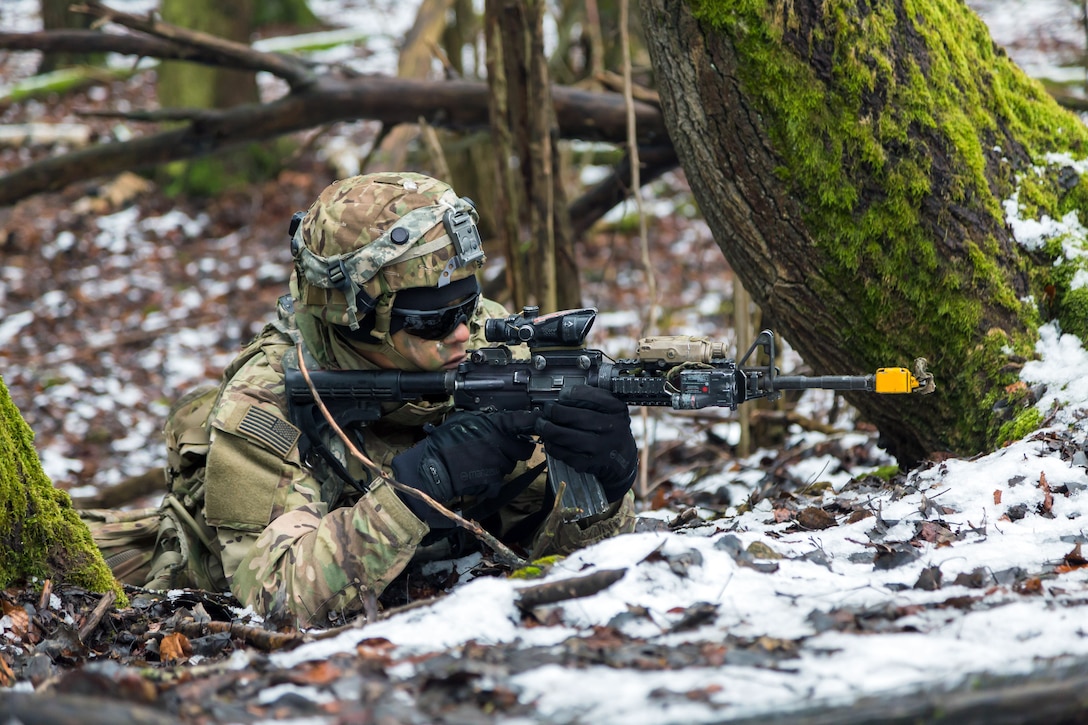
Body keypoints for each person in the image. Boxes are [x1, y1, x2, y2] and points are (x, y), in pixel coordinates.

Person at [121, 172, 636, 627]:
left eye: (468, 303)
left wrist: (607, 489)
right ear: (355, 315)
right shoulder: (268, 403)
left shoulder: (489, 348)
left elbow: (577, 563)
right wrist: (418, 487)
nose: (462, 333)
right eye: (432, 319)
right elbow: (277, 600)